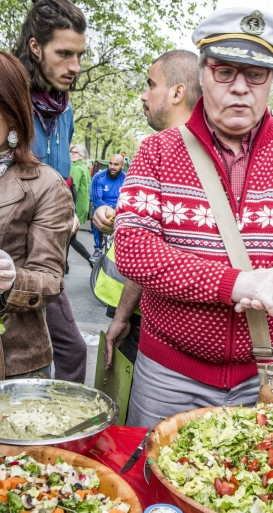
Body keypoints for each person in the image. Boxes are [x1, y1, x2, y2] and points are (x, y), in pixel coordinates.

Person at [113, 7, 273, 428]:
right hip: (170, 376)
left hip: (267, 375)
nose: (240, 88)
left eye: (255, 75)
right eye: (225, 72)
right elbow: (133, 250)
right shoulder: (157, 152)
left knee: (262, 488)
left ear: (270, 81)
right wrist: (234, 283)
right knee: (156, 485)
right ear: (203, 75)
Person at [93, 50, 202, 369]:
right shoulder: (172, 150)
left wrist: (123, 316)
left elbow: (150, 252)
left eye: (151, 84)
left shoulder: (167, 155)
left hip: (143, 317)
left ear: (177, 92)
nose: (144, 94)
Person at [13, 0, 88, 383]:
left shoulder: (66, 110)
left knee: (68, 351)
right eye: (64, 54)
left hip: (49, 256)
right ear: (35, 47)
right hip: (13, 255)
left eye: (79, 55)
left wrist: (68, 209)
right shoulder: (10, 101)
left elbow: (59, 176)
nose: (74, 67)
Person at [0, 51, 73, 379]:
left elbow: (50, 280)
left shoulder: (44, 184)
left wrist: (11, 280)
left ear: (12, 115)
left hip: (15, 364)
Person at [90, 155, 125, 263]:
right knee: (96, 213)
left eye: (116, 164)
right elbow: (96, 199)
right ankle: (98, 248)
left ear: (122, 166)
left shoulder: (127, 179)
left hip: (120, 210)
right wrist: (109, 209)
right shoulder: (98, 177)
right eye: (110, 163)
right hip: (103, 208)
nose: (112, 167)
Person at [68, 143, 92, 271]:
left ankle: (90, 258)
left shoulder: (76, 168)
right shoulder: (84, 167)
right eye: (71, 151)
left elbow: (72, 188)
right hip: (82, 207)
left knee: (70, 239)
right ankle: (64, 265)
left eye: (75, 152)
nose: (71, 153)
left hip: (74, 207)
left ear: (81, 155)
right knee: (68, 238)